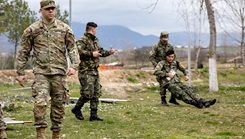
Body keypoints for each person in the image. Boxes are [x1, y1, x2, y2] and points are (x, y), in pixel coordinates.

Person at [15, 0, 79, 138]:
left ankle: (56, 134)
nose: (51, 11)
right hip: (41, 74)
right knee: (40, 104)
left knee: (59, 106)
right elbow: (24, 51)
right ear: (41, 10)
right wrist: (20, 72)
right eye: (47, 8)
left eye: (53, 8)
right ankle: (41, 135)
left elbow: (72, 48)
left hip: (59, 74)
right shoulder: (32, 30)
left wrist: (74, 66)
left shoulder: (64, 28)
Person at [71, 22, 115, 121]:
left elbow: (100, 52)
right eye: (95, 29)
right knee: (87, 94)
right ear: (92, 29)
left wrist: (109, 52)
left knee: (96, 93)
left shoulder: (94, 41)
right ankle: (77, 108)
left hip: (94, 71)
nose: (96, 31)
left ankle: (93, 114)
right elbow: (77, 52)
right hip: (86, 71)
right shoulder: (82, 41)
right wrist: (91, 54)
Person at [149, 31, 179, 106]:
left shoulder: (170, 46)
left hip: (169, 67)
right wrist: (157, 65)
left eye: (166, 39)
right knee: (162, 83)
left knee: (175, 80)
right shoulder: (156, 46)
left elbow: (174, 56)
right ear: (160, 38)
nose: (165, 41)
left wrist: (173, 64)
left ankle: (173, 98)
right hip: (160, 68)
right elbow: (151, 57)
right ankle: (163, 100)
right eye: (164, 39)